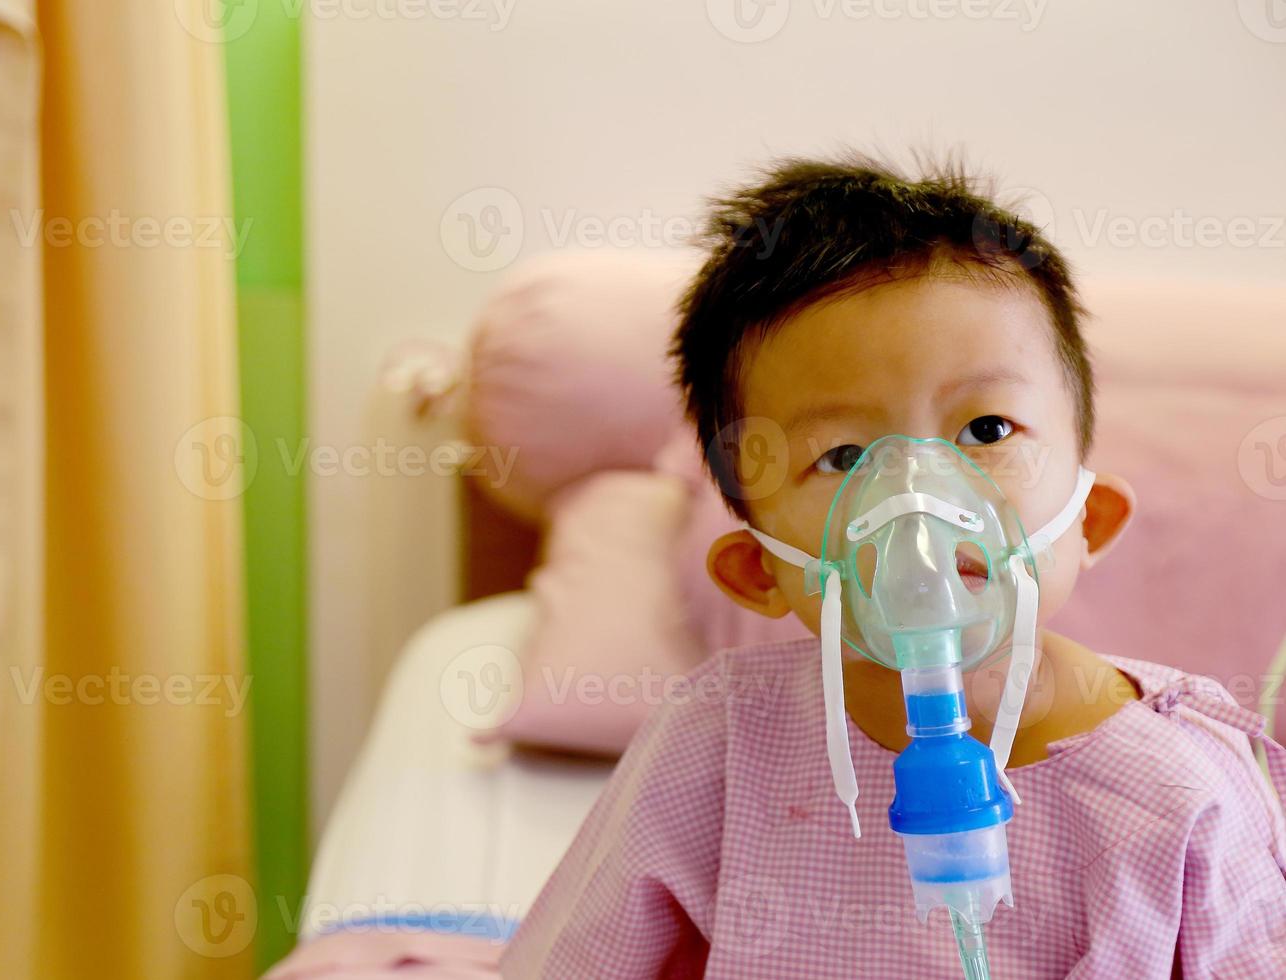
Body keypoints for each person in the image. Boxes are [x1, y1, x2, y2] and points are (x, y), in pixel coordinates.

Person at [499, 156, 1286, 978]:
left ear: (1089, 519)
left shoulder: (1178, 794)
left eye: (985, 432)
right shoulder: (720, 745)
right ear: (759, 572)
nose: (918, 498)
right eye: (843, 454)